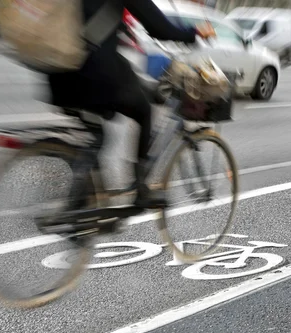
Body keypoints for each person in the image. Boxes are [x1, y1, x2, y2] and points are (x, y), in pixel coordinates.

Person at [46, 0, 215, 208]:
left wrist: (119, 26)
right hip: (92, 70)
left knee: (97, 134)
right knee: (144, 110)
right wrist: (194, 33)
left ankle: (84, 207)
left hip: (57, 71)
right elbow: (159, 27)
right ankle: (140, 191)